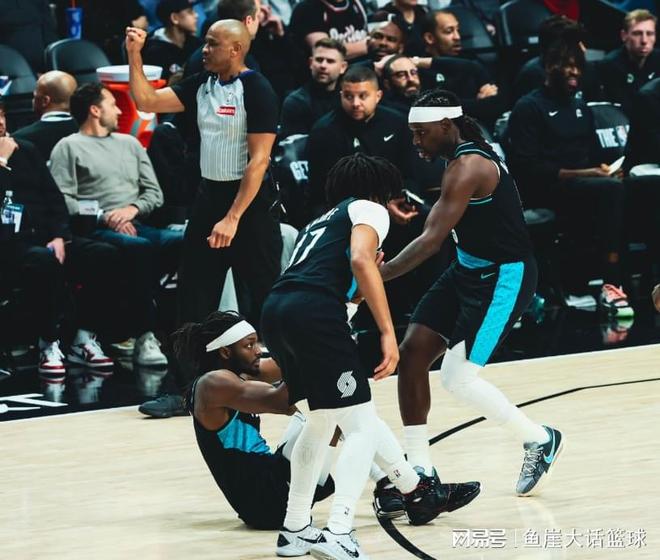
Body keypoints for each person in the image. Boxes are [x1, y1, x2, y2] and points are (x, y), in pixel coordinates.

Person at [261, 153, 480, 559]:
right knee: (360, 426)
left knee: (321, 421)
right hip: (314, 313)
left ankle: (295, 529)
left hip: (276, 311)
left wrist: (359, 291)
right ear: (381, 189)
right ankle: (340, 530)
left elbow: (337, 282)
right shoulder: (369, 209)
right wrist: (387, 332)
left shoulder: (320, 223)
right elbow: (361, 260)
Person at [379, 89, 564, 498]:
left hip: (503, 277)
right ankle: (419, 467)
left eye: (422, 132)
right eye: (412, 133)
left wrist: (381, 274)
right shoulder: (457, 160)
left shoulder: (469, 166)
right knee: (412, 355)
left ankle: (538, 438)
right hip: (467, 269)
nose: (416, 141)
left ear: (447, 125)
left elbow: (431, 241)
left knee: (457, 378)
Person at [126, 20, 282, 328]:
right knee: (194, 294)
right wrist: (134, 54)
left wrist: (232, 218)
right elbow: (147, 101)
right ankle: (195, 358)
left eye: (212, 44)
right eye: (205, 42)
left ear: (235, 49)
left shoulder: (257, 89)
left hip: (250, 203)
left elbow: (259, 161)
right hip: (209, 196)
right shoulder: (201, 83)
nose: (204, 50)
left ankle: (280, 356)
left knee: (265, 292)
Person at [49, 83, 183, 366]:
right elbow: (63, 199)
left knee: (186, 241)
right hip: (95, 228)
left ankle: (187, 329)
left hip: (136, 222)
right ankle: (145, 336)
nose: (120, 111)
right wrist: (105, 215)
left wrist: (130, 210)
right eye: (112, 104)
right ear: (95, 110)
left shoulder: (130, 144)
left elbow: (154, 193)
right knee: (138, 248)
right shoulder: (69, 146)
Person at [171, 310, 335, 530]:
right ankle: (382, 481)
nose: (258, 351)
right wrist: (315, 346)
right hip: (267, 502)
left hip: (271, 479)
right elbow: (283, 402)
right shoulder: (214, 384)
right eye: (249, 345)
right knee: (329, 413)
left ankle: (382, 478)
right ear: (226, 352)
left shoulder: (239, 372)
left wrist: (333, 326)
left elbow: (284, 365)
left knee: (330, 406)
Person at [507, 42, 632, 315]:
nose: (574, 71)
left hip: (583, 186)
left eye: (578, 66)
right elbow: (527, 168)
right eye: (566, 65)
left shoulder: (581, 107)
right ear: (549, 68)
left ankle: (628, 277)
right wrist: (588, 174)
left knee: (626, 186)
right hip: (543, 189)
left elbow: (592, 157)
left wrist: (607, 170)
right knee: (611, 191)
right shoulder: (529, 107)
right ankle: (611, 281)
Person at [0, 97, 118, 374]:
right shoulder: (7, 154)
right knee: (42, 261)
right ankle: (48, 341)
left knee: (103, 254)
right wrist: (2, 161)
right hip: (8, 243)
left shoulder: (26, 150)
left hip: (44, 237)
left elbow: (54, 199)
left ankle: (83, 338)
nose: (0, 122)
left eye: (1, 115)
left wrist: (59, 236)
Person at [417, 10, 502, 127]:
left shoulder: (471, 62)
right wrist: (479, 102)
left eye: (458, 30)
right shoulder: (420, 72)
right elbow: (440, 110)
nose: (457, 37)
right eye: (449, 31)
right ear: (430, 38)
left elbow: (498, 104)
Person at [279, 38, 347, 138]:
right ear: (311, 63)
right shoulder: (296, 102)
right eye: (319, 60)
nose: (323, 65)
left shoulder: (350, 100)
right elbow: (295, 146)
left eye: (330, 61)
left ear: (343, 67)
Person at [598, 9, 659, 115]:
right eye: (637, 34)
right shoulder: (610, 65)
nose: (644, 40)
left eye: (650, 34)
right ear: (624, 35)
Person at [13, 71, 79, 161]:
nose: (33, 100)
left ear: (45, 101)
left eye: (34, 96)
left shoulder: (19, 140)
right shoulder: (87, 131)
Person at [142, 0, 203, 82]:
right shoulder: (153, 51)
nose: (196, 15)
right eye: (190, 12)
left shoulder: (196, 43)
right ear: (174, 18)